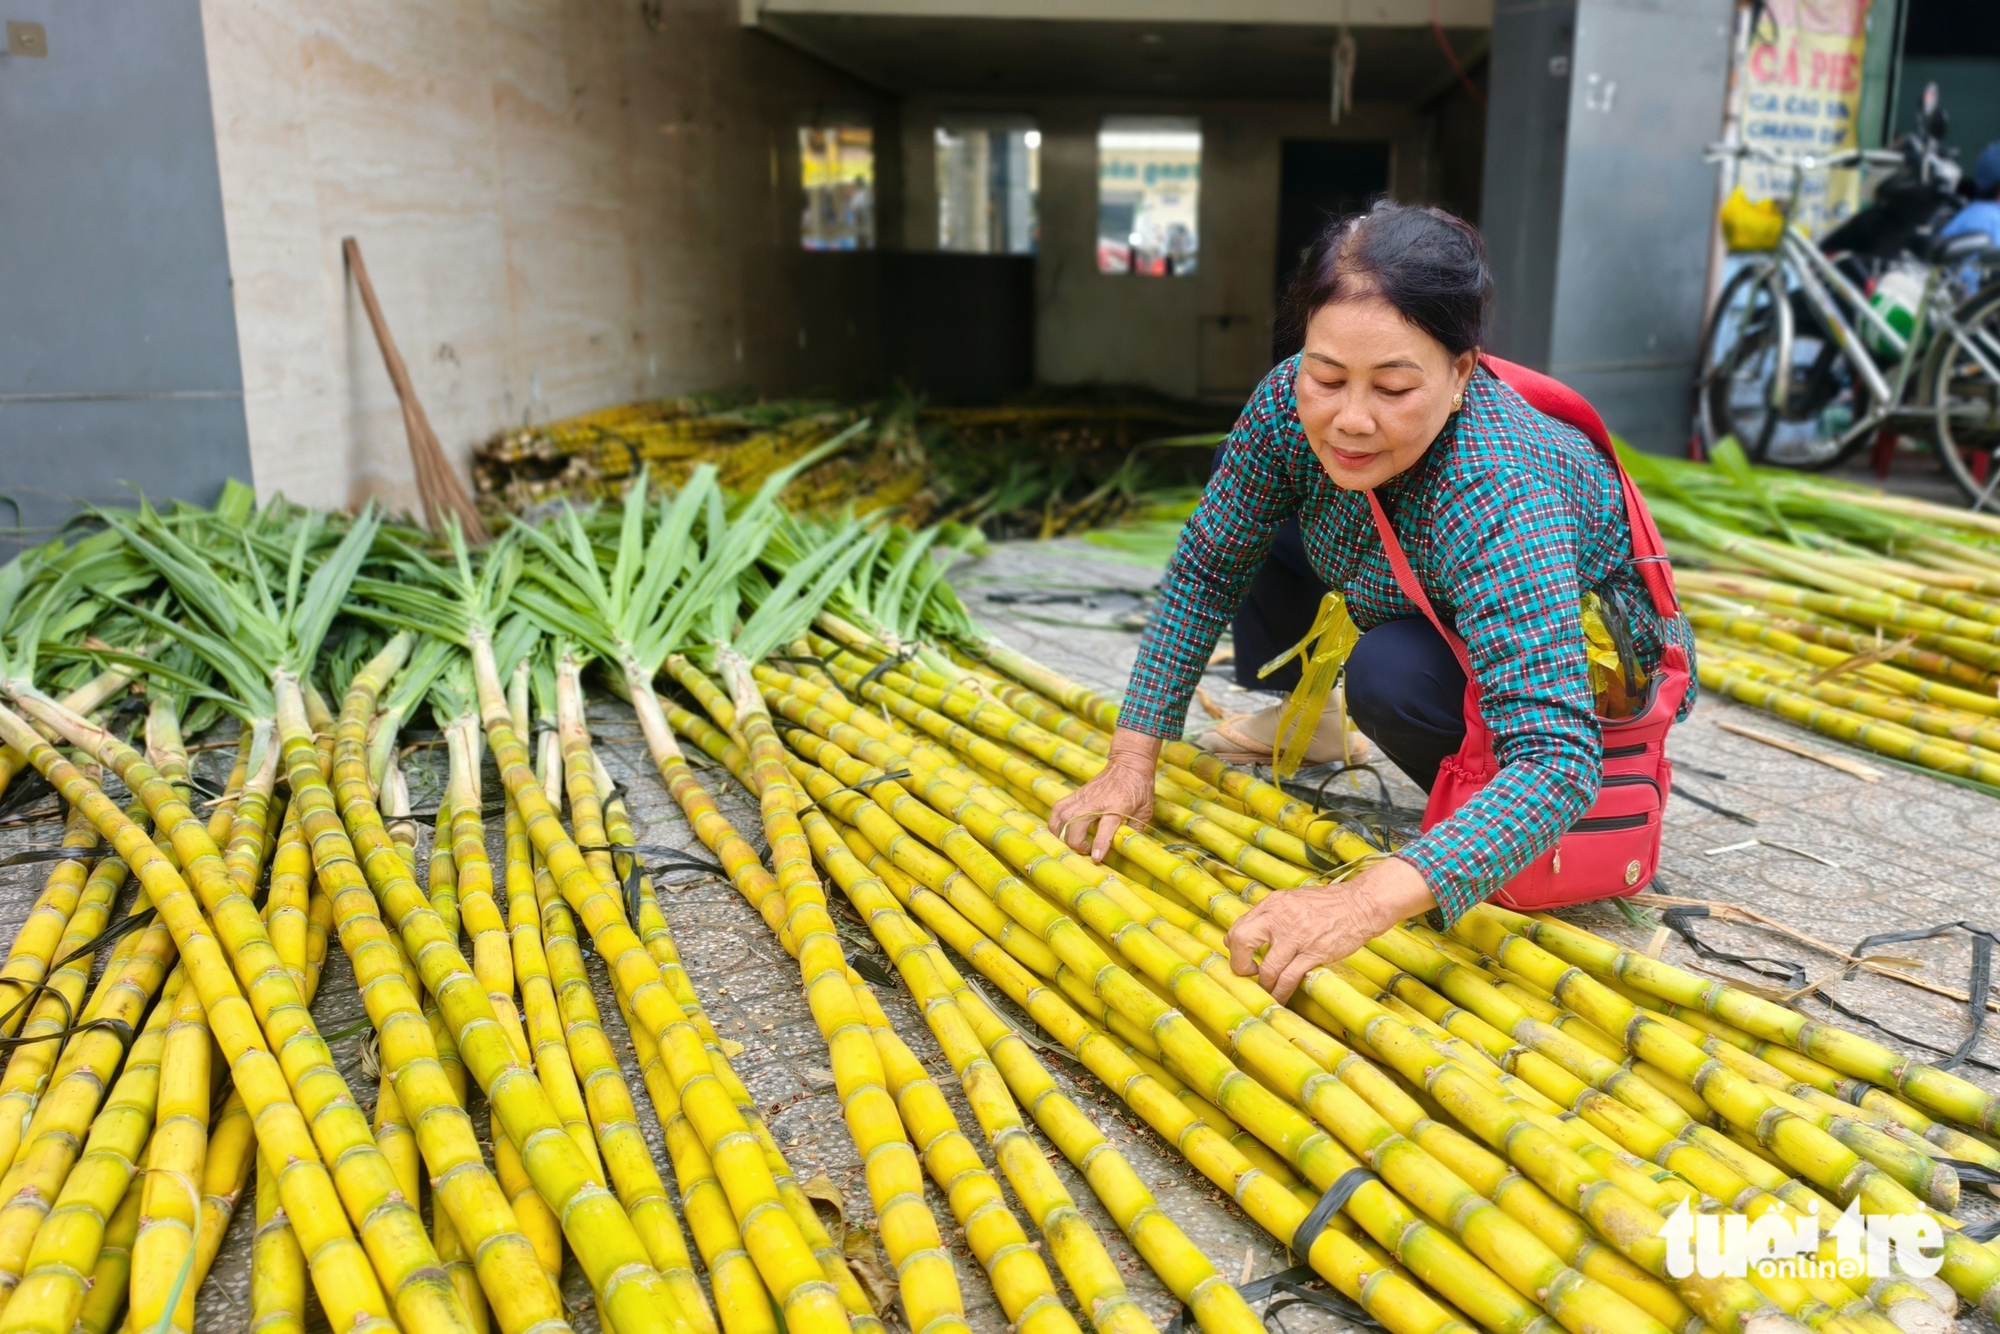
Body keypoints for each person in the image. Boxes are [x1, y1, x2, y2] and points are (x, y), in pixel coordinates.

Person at [1047, 202, 1695, 1003]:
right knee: (1255, 521)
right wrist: (1129, 762)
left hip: (1581, 671)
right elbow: (1205, 569)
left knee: (1387, 675)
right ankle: (1309, 718)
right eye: (1327, 376)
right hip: (1414, 578)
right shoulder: (1289, 405)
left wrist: (1363, 899)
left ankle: (1469, 820)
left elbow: (1557, 764)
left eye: (1393, 386)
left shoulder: (1499, 489)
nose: (1350, 418)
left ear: (1461, 374)